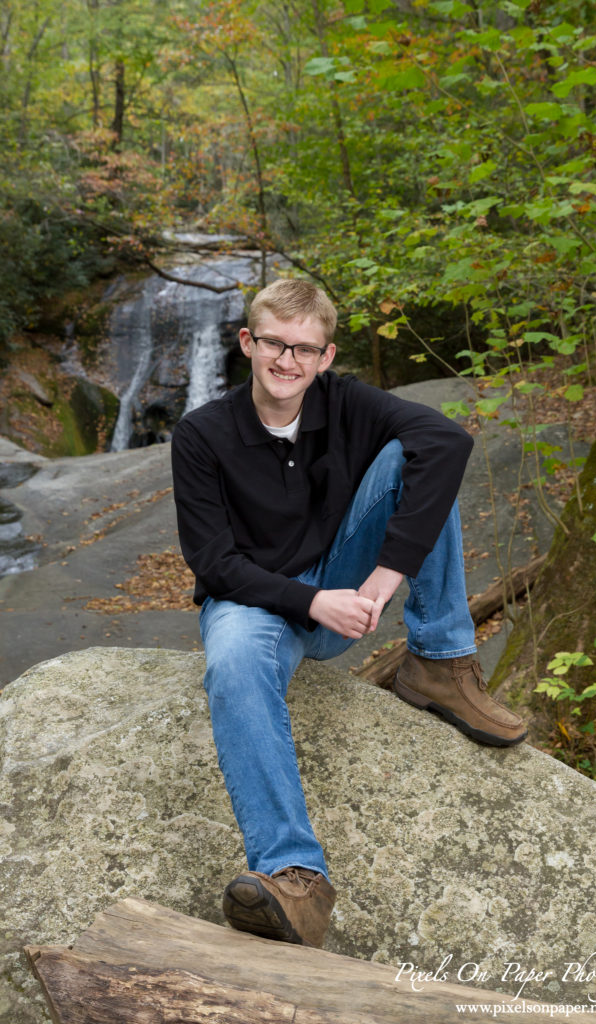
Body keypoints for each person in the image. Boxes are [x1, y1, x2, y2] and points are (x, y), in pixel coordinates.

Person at [171, 279, 526, 950]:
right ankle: (294, 877)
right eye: (274, 343)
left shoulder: (345, 401)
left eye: (304, 349)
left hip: (346, 582)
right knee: (235, 662)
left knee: (417, 456)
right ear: (247, 342)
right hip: (256, 603)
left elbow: (447, 445)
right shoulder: (201, 434)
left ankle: (441, 665)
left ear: (326, 357)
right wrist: (311, 601)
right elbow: (213, 563)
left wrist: (380, 578)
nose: (287, 362)